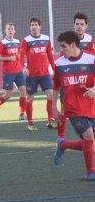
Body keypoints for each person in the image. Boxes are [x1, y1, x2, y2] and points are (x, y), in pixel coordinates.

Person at [53, 31, 95, 181]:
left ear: (72, 45)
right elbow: (56, 87)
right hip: (72, 108)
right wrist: (54, 108)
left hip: (91, 107)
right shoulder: (59, 63)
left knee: (90, 142)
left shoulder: (91, 59)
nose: (61, 50)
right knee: (89, 136)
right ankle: (91, 172)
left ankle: (63, 145)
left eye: (63, 47)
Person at [57, 13, 95, 139]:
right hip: (70, 79)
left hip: (84, 79)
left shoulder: (89, 39)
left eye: (81, 24)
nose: (79, 27)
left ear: (86, 27)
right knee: (63, 109)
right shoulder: (68, 40)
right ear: (74, 26)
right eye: (77, 24)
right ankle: (61, 137)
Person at [21, 18, 57, 131]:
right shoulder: (26, 40)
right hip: (31, 75)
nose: (33, 27)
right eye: (31, 25)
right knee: (30, 98)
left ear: (40, 27)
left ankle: (50, 121)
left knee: (51, 94)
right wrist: (24, 66)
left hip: (45, 74)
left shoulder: (46, 39)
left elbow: (50, 55)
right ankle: (30, 123)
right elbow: (21, 55)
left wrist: (54, 68)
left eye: (35, 24)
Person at [0, 22, 27, 121]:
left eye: (12, 29)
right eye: (8, 29)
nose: (10, 31)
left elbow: (19, 55)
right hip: (8, 72)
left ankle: (21, 114)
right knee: (8, 94)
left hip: (18, 71)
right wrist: (8, 58)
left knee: (23, 91)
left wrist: (23, 66)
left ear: (14, 31)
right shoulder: (2, 43)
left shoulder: (17, 41)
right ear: (5, 31)